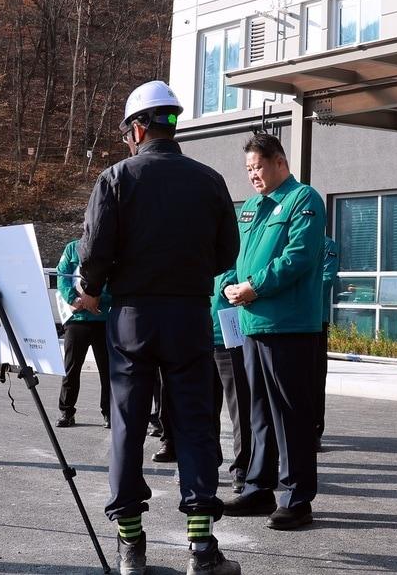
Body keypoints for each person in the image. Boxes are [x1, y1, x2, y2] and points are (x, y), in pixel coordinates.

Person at [73, 80, 240, 575]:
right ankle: (201, 550)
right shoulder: (209, 180)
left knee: (127, 424)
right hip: (189, 314)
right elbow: (226, 254)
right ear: (173, 124)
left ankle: (131, 548)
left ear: (138, 128)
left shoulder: (116, 179)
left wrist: (95, 286)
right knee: (194, 423)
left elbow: (94, 253)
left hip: (131, 317)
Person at [220, 132, 326, 531]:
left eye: (258, 167)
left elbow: (297, 257)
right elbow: (237, 257)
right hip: (251, 322)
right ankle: (257, 488)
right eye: (248, 169)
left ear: (280, 162)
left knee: (290, 413)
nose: (253, 176)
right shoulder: (250, 207)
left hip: (288, 324)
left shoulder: (303, 200)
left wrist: (255, 286)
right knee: (259, 411)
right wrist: (229, 283)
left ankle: (297, 497)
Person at [55, 240, 111, 429]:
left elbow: (117, 280)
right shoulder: (72, 248)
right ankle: (66, 411)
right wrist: (73, 299)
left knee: (108, 370)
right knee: (71, 368)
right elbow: (62, 275)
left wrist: (98, 300)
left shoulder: (112, 246)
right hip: (77, 319)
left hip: (104, 318)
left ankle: (109, 412)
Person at [212, 266, 254, 494]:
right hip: (197, 336)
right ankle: (205, 463)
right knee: (202, 410)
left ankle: (243, 467)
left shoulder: (233, 236)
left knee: (240, 408)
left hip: (229, 337)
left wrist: (226, 283)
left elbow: (239, 269)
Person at [313, 236, 340, 447]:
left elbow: (326, 279)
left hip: (315, 322)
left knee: (314, 379)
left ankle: (314, 432)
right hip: (288, 322)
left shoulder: (326, 246)